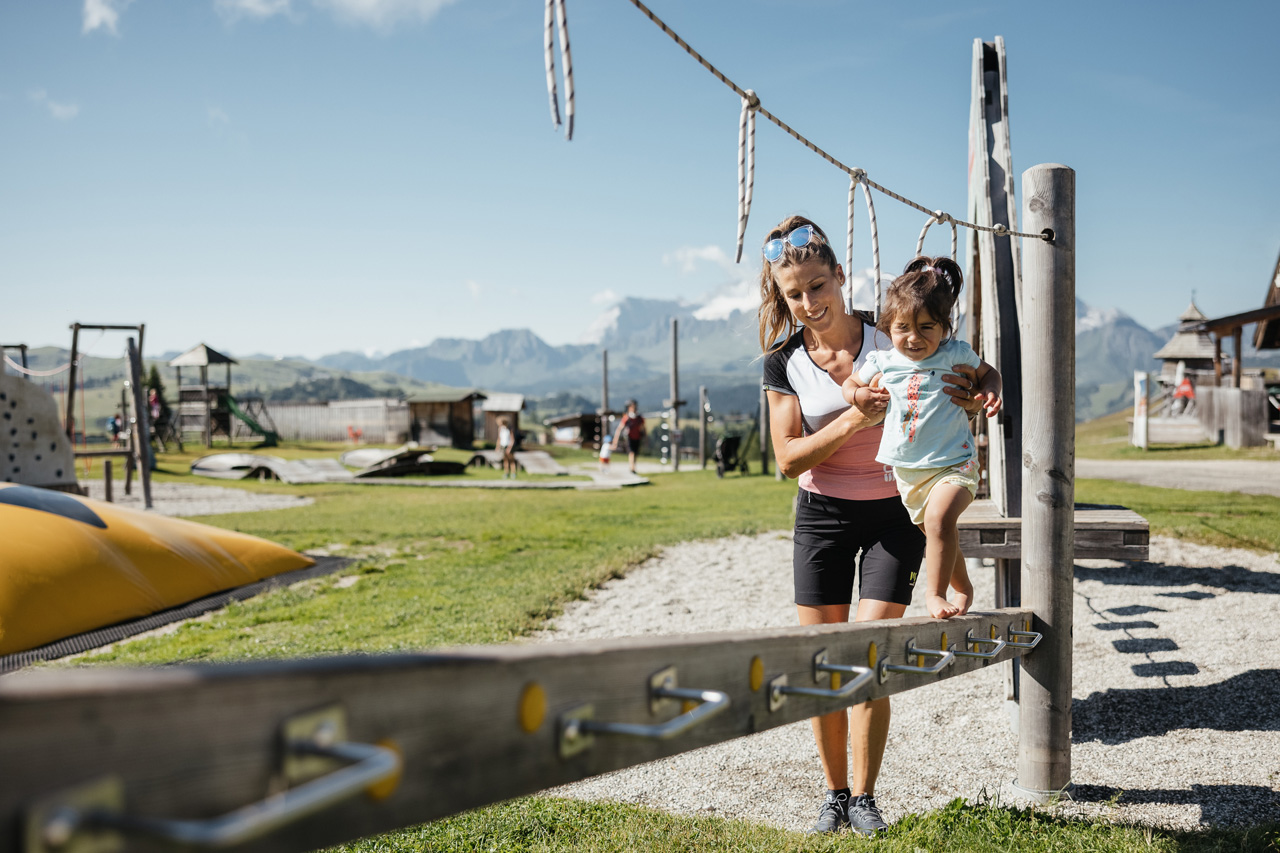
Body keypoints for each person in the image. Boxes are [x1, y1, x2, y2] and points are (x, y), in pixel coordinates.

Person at [759, 215, 988, 835]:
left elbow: (961, 380)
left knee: (865, 653)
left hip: (895, 509)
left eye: (818, 285)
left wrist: (974, 396)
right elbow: (786, 458)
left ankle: (863, 796)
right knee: (822, 660)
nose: (809, 302)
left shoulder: (895, 333)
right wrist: (851, 422)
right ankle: (833, 794)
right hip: (822, 515)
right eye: (794, 294)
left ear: (839, 275)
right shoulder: (784, 363)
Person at [843, 256, 1002, 619]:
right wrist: (857, 395)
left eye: (926, 327)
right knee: (937, 532)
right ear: (888, 327)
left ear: (945, 327)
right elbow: (849, 384)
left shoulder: (955, 353)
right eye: (902, 328)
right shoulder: (883, 361)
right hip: (909, 474)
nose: (913, 338)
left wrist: (990, 391)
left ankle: (934, 594)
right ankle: (963, 586)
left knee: (939, 521)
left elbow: (988, 372)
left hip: (954, 464)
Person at [611, 400, 646, 474]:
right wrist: (615, 441)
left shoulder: (639, 418)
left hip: (637, 437)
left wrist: (645, 438)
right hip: (629, 438)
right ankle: (632, 468)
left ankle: (633, 467)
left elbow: (643, 428)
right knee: (632, 452)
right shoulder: (627, 418)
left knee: (635, 453)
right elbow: (619, 429)